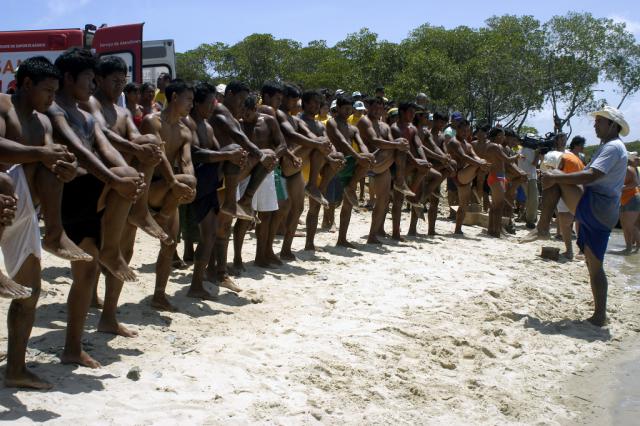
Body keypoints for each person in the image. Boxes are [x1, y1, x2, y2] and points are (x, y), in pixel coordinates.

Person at [48, 48, 145, 368]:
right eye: (89, 78)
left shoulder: (88, 116)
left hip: (90, 193)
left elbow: (106, 148)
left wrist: (125, 176)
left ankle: (73, 348)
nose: (92, 85)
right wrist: (114, 180)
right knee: (86, 271)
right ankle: (113, 252)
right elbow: (78, 150)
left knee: (86, 273)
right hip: (66, 194)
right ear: (69, 78)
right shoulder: (53, 109)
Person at [1, 56, 88, 389]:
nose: (52, 97)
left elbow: (48, 158)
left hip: (22, 209)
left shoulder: (43, 123)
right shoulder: (3, 107)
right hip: (2, 194)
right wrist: (41, 155)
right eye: (48, 91)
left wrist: (65, 167)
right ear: (26, 85)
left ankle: (16, 370)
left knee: (29, 292)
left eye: (55, 91)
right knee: (25, 168)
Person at [525, 106, 629, 326]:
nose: (595, 125)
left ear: (612, 125)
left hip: (597, 205)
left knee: (554, 178)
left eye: (599, 122)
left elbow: (592, 175)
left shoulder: (612, 147)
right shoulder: (613, 146)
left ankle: (543, 228)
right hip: (605, 209)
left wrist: (557, 176)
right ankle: (599, 315)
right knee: (594, 264)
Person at [209, 81, 276, 289]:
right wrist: (257, 154)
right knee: (220, 226)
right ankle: (218, 272)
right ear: (229, 94)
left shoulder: (232, 114)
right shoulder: (220, 110)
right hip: (219, 174)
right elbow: (236, 136)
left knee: (222, 225)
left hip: (230, 173)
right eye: (239, 99)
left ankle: (218, 270)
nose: (241, 104)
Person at [140, 79, 198, 310]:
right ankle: (94, 295)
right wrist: (175, 182)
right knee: (124, 249)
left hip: (168, 189)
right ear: (174, 97)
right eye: (189, 100)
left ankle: (159, 295)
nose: (191, 105)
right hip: (147, 186)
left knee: (170, 244)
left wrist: (189, 185)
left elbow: (186, 162)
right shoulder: (151, 121)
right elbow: (160, 154)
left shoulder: (185, 130)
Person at [185, 82, 246, 299]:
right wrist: (227, 155)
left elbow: (216, 152)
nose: (213, 106)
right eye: (210, 103)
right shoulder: (189, 123)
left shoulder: (206, 126)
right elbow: (196, 154)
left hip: (210, 181)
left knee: (210, 236)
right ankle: (196, 283)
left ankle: (197, 283)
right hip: (197, 180)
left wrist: (233, 156)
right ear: (197, 103)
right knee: (208, 236)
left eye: (214, 102)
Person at [233, 94, 286, 270]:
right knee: (244, 216)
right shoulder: (238, 124)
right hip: (247, 172)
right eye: (242, 113)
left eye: (247, 113)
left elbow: (282, 144)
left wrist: (275, 158)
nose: (243, 117)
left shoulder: (269, 121)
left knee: (266, 215)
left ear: (255, 109)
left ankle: (261, 256)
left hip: (266, 171)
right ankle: (238, 258)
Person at [357, 96, 412, 244]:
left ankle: (372, 235)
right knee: (399, 147)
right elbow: (375, 141)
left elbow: (391, 142)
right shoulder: (364, 121)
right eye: (374, 107)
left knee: (383, 201)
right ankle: (400, 182)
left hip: (384, 164)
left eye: (380, 108)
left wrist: (400, 143)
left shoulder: (385, 126)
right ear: (369, 107)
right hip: (369, 160)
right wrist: (397, 144)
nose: (377, 110)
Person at [298, 90, 345, 251]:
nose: (316, 105)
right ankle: (315, 188)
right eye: (312, 102)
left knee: (338, 155)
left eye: (318, 103)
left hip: (317, 167)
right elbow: (312, 138)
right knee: (294, 209)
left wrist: (335, 158)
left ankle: (309, 244)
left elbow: (329, 146)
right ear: (304, 103)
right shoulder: (299, 120)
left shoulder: (320, 124)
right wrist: (330, 158)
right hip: (301, 165)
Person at [326, 95, 374, 247]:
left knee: (347, 205)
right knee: (328, 202)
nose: (348, 111)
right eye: (345, 108)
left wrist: (367, 155)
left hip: (348, 163)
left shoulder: (353, 128)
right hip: (334, 163)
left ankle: (342, 239)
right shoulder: (331, 123)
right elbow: (340, 141)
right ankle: (310, 243)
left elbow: (362, 144)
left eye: (350, 109)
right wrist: (358, 156)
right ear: (338, 108)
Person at [445, 119, 490, 235]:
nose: (465, 132)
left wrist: (482, 162)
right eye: (463, 130)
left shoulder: (468, 145)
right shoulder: (454, 142)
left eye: (467, 130)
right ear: (457, 130)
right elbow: (463, 156)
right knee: (480, 164)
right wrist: (480, 164)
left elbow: (475, 156)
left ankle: (458, 229)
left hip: (465, 176)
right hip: (457, 174)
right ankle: (477, 189)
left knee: (463, 205)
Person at [556, 136, 586, 258]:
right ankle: (575, 250)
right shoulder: (571, 157)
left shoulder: (572, 157)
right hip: (572, 189)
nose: (583, 148)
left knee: (569, 222)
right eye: (582, 145)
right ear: (576, 145)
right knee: (570, 221)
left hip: (570, 189)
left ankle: (575, 250)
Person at [616, 152, 640, 254]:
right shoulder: (619, 169)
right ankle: (628, 248)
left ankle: (636, 248)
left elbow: (636, 183)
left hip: (633, 198)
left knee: (632, 226)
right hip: (623, 199)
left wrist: (622, 188)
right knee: (625, 225)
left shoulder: (629, 169)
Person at [518, 135, 543, 228]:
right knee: (533, 200)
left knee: (530, 199)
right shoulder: (529, 151)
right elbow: (535, 163)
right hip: (529, 177)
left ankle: (528, 216)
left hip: (525, 176)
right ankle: (530, 220)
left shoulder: (523, 150)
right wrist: (538, 153)